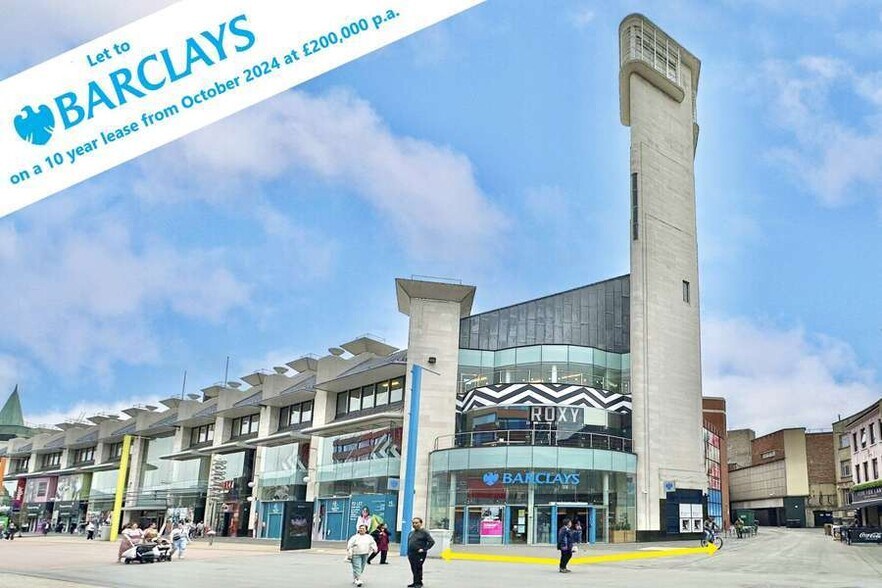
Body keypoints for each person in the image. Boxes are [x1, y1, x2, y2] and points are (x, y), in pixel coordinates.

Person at [406, 518, 434, 588]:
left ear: (421, 523)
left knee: (418, 567)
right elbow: (409, 542)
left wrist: (424, 549)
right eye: (413, 523)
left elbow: (431, 542)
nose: (414, 524)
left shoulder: (424, 532)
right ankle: (415, 582)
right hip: (411, 554)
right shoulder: (411, 533)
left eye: (416, 523)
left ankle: (419, 583)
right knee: (413, 568)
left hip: (419, 554)